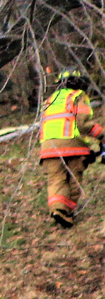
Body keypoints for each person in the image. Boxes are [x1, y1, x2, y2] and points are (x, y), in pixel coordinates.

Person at [40, 69, 104, 227]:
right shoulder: (77, 97)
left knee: (56, 180)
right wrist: (102, 135)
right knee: (74, 179)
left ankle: (58, 209)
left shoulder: (49, 100)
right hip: (73, 146)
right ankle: (67, 211)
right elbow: (82, 124)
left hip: (49, 147)